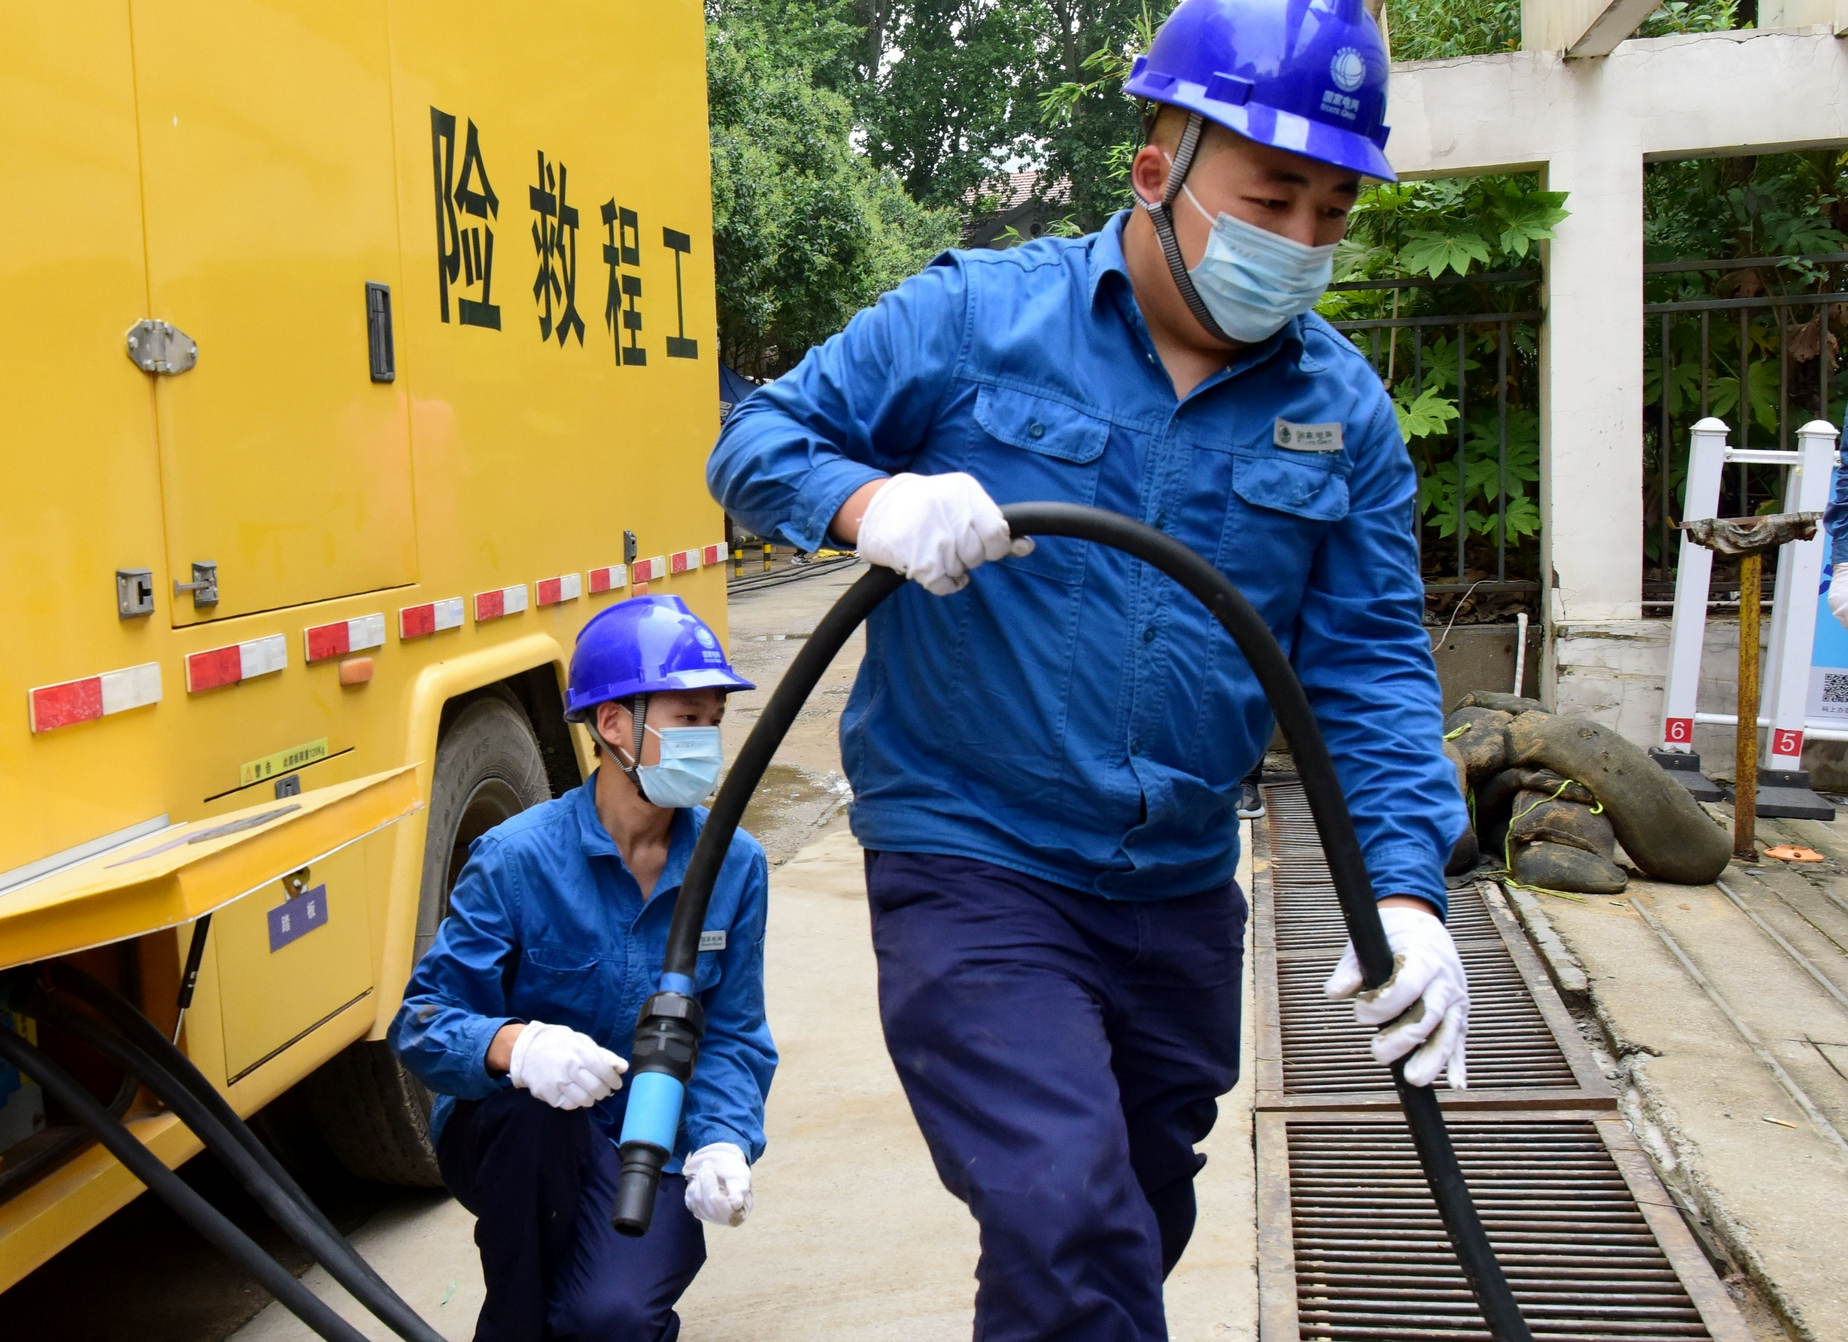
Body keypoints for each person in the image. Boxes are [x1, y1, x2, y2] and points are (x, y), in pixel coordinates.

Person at [707, 0, 1470, 1336]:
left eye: (1333, 211)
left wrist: (1405, 892)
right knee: (1068, 1210)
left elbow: (1369, 669)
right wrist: (871, 503)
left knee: (1122, 1227)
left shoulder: (1341, 412)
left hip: (1176, 887)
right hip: (974, 858)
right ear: (1156, 168)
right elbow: (754, 440)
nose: (1300, 242)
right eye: (1271, 198)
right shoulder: (974, 319)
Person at [392, 595, 775, 1342]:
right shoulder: (516, 859)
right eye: (686, 718)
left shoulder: (734, 866)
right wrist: (516, 1047)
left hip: (651, 1141)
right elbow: (422, 1020)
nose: (706, 740)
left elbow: (732, 1033)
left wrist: (724, 1137)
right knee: (533, 1122)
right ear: (613, 725)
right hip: (519, 1145)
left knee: (612, 1317)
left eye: (713, 720)